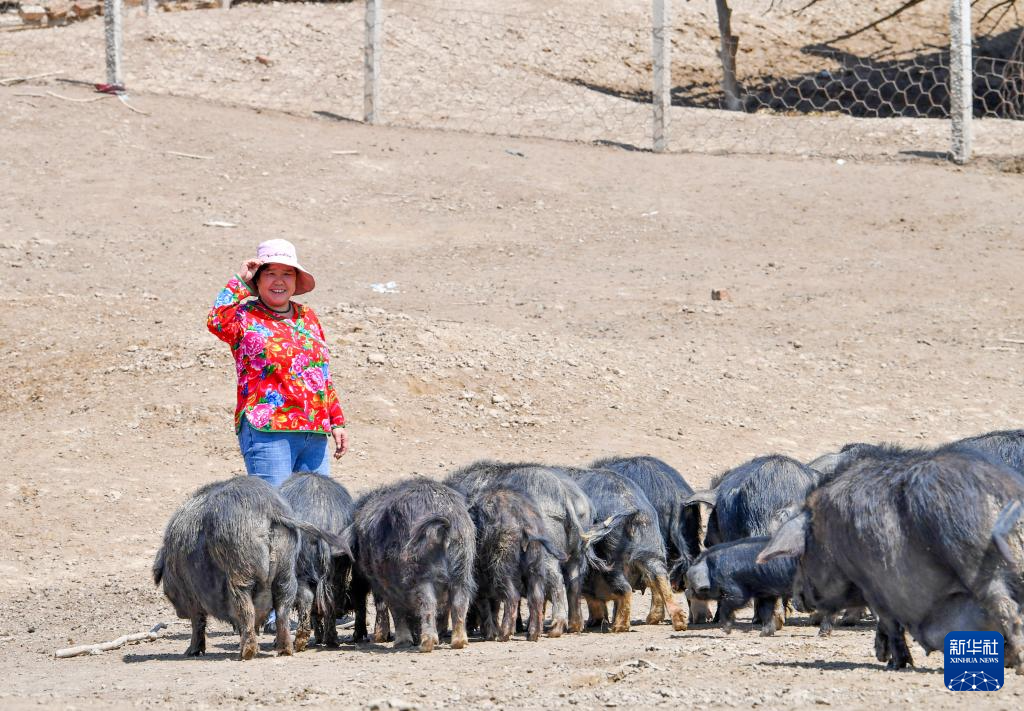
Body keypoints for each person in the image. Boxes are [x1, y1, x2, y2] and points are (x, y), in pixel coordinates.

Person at [207, 238, 349, 488]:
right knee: (277, 514)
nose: (279, 281)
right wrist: (239, 281)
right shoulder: (244, 317)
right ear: (258, 280)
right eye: (270, 273)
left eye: (287, 273)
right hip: (268, 430)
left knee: (317, 513)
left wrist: (336, 420)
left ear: (295, 280)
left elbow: (322, 373)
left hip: (314, 430)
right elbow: (216, 321)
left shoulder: (307, 317)